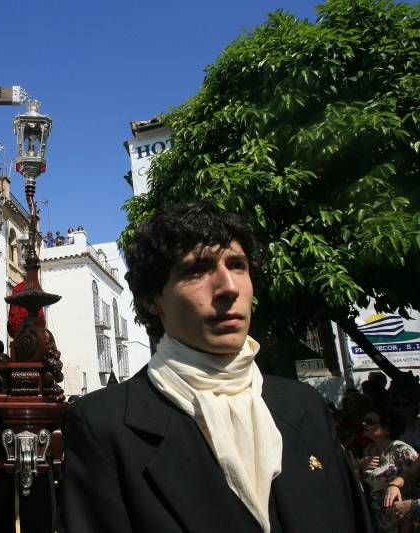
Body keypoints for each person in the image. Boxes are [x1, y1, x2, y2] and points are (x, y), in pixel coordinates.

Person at [62, 201, 372, 533]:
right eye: (197, 269)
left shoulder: (303, 407)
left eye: (238, 265)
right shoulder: (104, 426)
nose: (228, 287)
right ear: (153, 298)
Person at [357, 407, 417, 532]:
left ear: (387, 429)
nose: (364, 424)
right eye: (364, 420)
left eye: (370, 421)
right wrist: (358, 465)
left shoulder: (402, 450)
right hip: (378, 522)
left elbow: (414, 483)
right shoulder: (369, 450)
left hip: (400, 524)